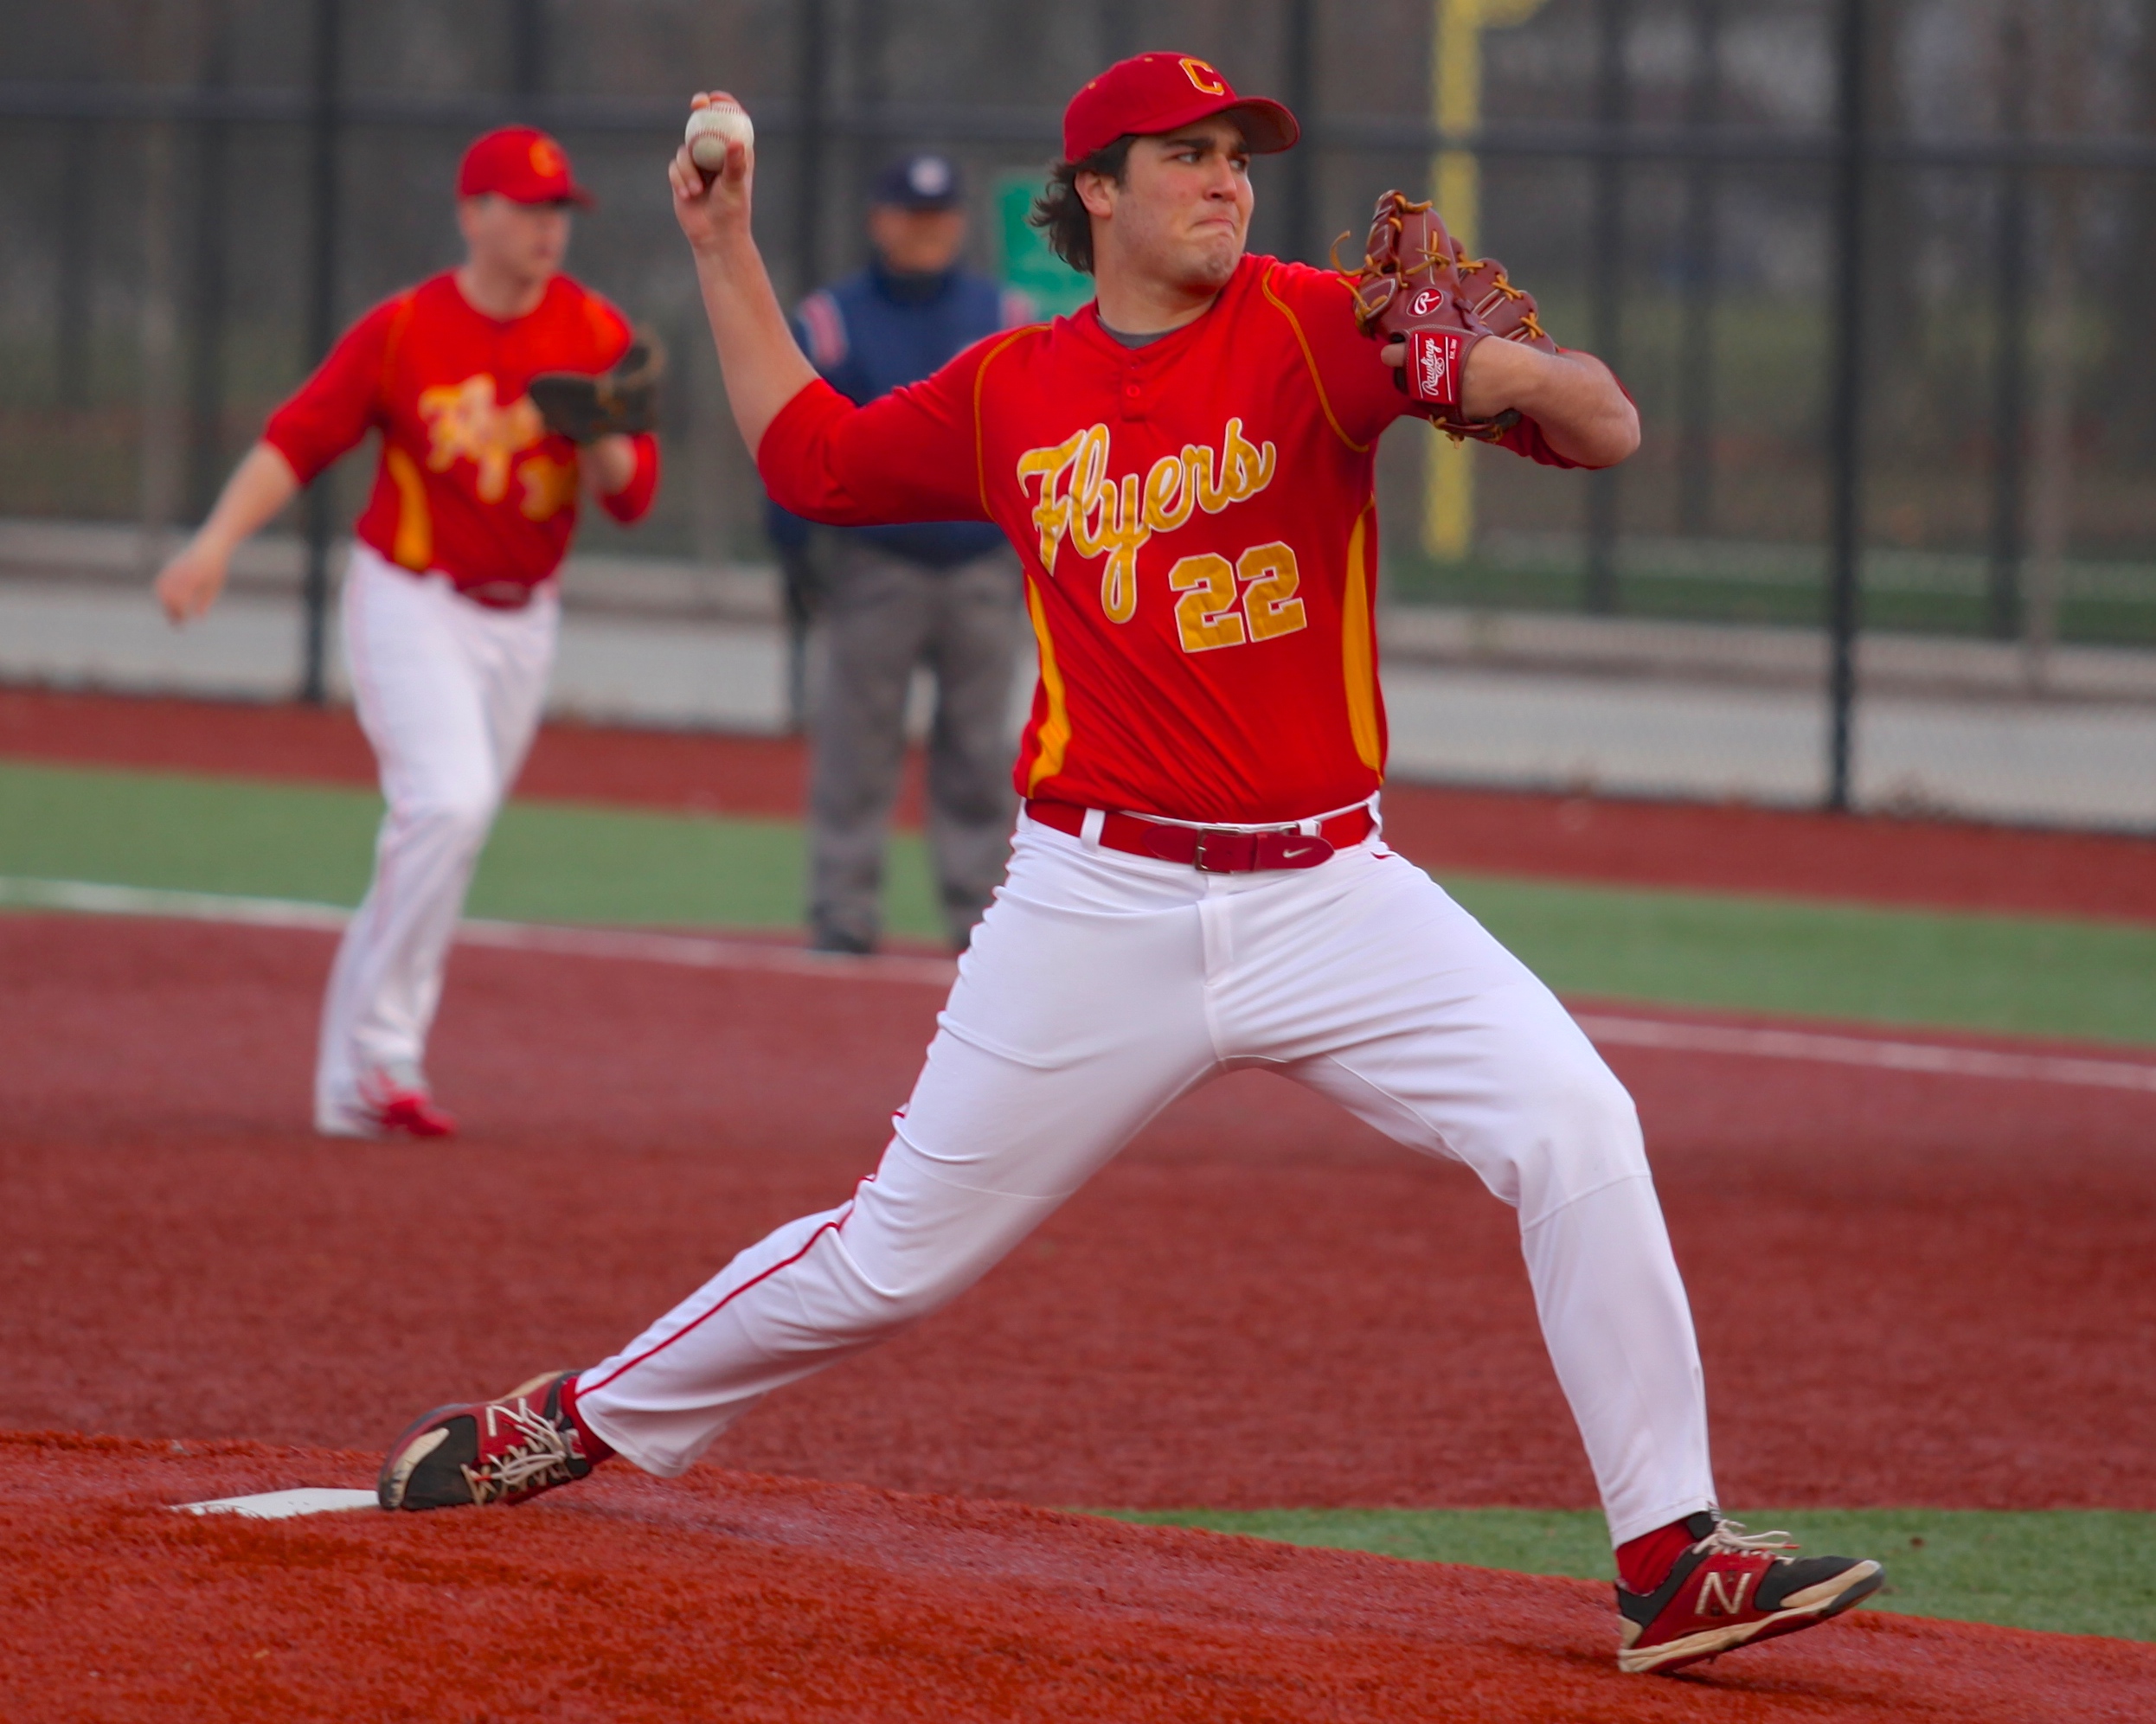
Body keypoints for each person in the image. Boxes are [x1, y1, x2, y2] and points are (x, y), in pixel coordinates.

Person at [377, 60, 1882, 1678]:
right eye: (1185, 157)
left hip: (1336, 894)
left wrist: (1478, 359)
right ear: (1094, 189)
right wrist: (724, 246)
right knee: (894, 1254)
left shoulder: (1317, 327)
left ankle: (1668, 1553)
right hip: (1095, 901)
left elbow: (1608, 420)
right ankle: (577, 1414)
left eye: (1236, 156)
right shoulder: (1015, 385)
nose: (1225, 181)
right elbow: (809, 463)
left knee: (1576, 1120)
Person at [154, 127, 660, 1141]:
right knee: (445, 801)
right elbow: (299, 437)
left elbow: (633, 498)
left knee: (452, 831)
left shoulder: (594, 330)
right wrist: (213, 543)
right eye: (525, 208)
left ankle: (373, 1067)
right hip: (410, 600)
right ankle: (370, 1063)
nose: (545, 228)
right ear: (472, 213)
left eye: (558, 211)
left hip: (524, 622)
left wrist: (596, 432)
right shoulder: (405, 329)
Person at [769, 153, 1035, 954]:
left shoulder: (1005, 313)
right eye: (910, 215)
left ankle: (978, 912)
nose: (925, 231)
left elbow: (1044, 438)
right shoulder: (832, 319)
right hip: (876, 562)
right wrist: (794, 550)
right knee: (856, 744)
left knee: (981, 751)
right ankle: (843, 907)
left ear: (959, 223)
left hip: (982, 563)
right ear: (879, 220)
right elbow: (788, 431)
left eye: (940, 216)